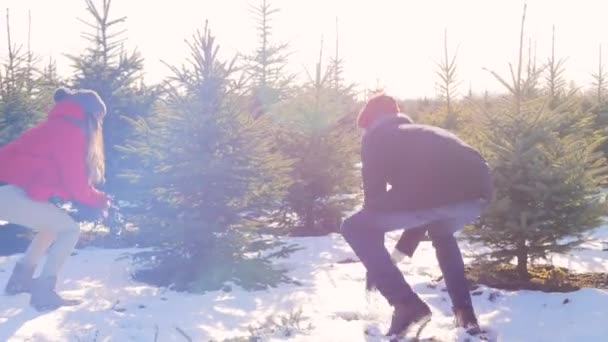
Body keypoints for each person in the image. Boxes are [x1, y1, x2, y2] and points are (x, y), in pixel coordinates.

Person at [341, 94, 493, 336]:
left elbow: (375, 203)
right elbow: (426, 206)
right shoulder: (421, 133)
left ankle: (406, 305)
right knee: (442, 234)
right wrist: (396, 255)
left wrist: (376, 266)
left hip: (440, 192)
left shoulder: (375, 137)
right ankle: (465, 315)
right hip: (480, 190)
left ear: (368, 122)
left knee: (353, 227)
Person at [0, 87, 110, 311]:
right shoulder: (69, 131)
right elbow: (75, 183)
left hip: (10, 190)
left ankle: (20, 281)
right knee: (69, 230)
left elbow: (51, 175)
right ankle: (44, 292)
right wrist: (98, 199)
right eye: (99, 118)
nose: (99, 125)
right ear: (90, 114)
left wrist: (88, 196)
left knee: (51, 227)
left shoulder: (57, 126)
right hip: (7, 191)